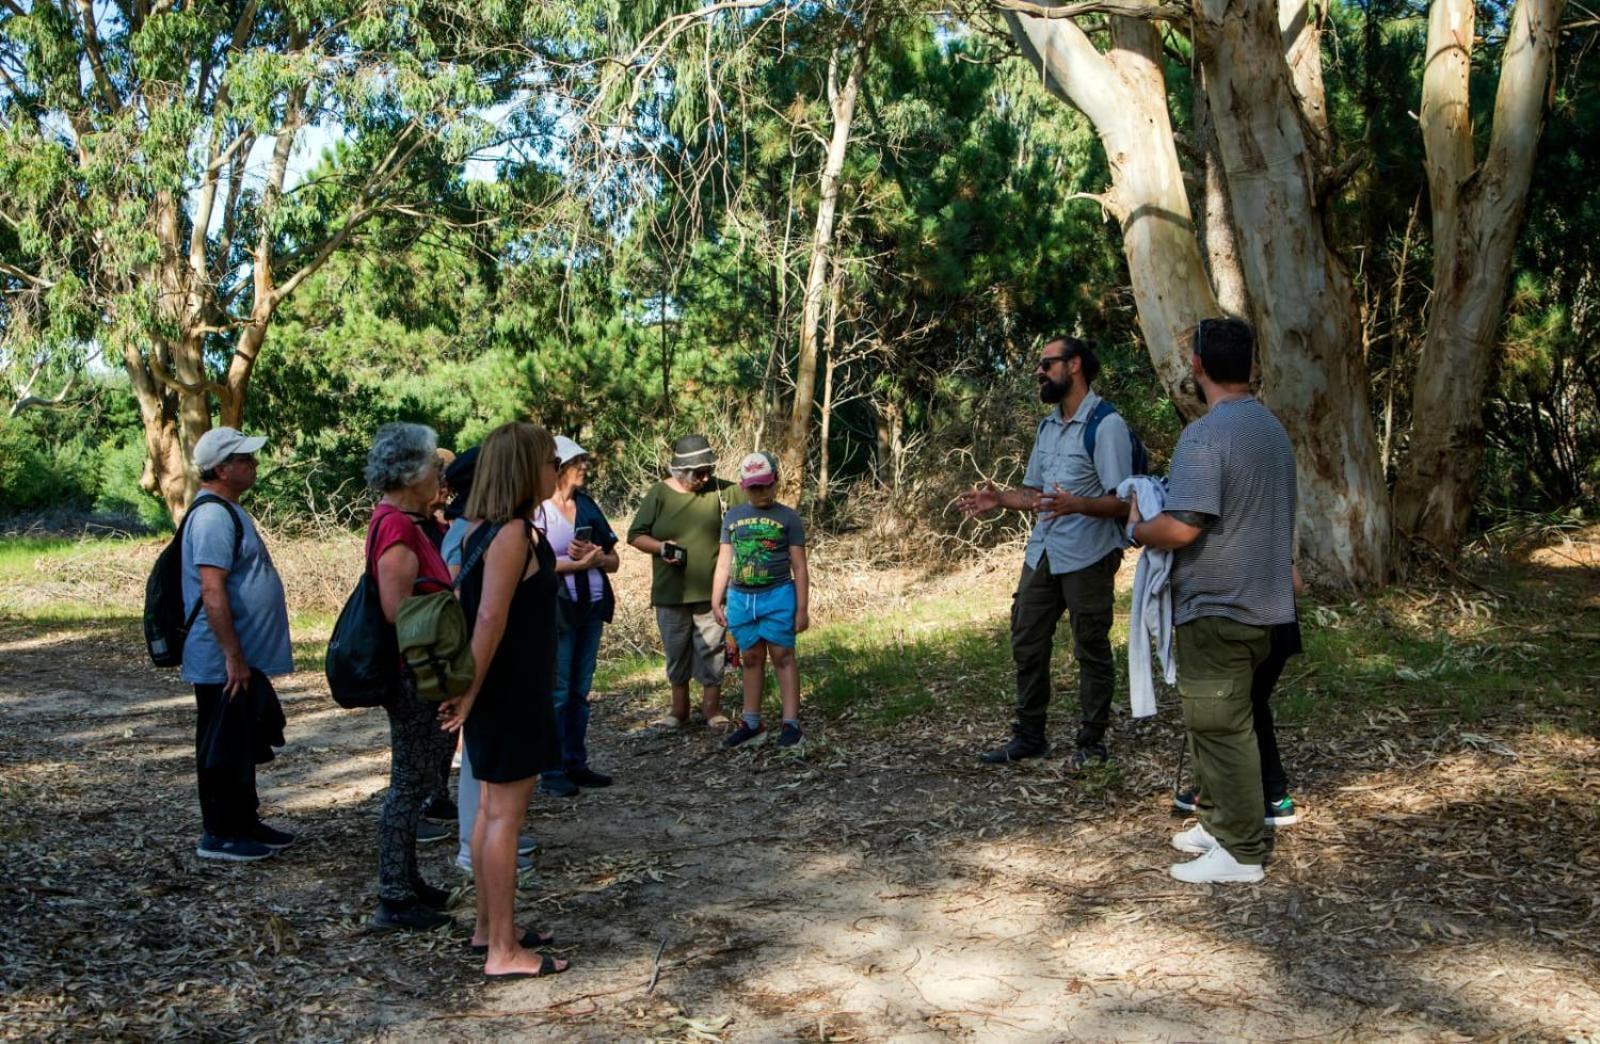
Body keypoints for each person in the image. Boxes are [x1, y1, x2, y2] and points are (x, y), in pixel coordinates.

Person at [1128, 316, 1298, 885]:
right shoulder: (1271, 429)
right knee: (1219, 722)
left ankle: (1243, 852)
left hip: (1219, 606)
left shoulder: (1205, 435)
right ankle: (1218, 820)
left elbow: (1181, 529)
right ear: (1250, 364)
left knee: (1222, 727)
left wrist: (1138, 526)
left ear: (1197, 366)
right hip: (1266, 606)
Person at [957, 337, 1135, 769]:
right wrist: (999, 500)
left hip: (1088, 554)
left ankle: (1092, 743)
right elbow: (1035, 495)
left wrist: (1079, 504)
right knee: (1026, 638)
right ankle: (1029, 736)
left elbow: (1126, 502)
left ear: (1074, 366)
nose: (1039, 371)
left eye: (1046, 363)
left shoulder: (1106, 425)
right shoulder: (1047, 426)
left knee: (1090, 646)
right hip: (1044, 552)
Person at [438, 421, 568, 979]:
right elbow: (489, 618)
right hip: (510, 691)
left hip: (498, 689)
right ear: (523, 470)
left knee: (491, 811)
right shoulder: (512, 534)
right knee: (504, 819)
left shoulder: (480, 531)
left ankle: (491, 929)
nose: (555, 473)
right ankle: (503, 954)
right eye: (547, 463)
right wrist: (468, 697)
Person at [182, 426, 293, 862]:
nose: (253, 464)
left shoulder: (227, 510)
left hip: (237, 657)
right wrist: (232, 655)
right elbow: (212, 591)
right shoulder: (212, 516)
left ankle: (245, 821)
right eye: (244, 458)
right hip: (221, 659)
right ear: (221, 468)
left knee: (240, 738)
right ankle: (219, 833)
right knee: (221, 743)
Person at [364, 423, 457, 929]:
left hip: (423, 669)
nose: (439, 474)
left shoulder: (411, 521)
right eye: (433, 465)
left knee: (419, 779)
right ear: (409, 471)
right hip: (413, 672)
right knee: (408, 785)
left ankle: (409, 882)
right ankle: (394, 896)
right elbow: (398, 609)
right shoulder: (396, 526)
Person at [440, 446, 537, 875]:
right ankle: (470, 853)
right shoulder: (483, 532)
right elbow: (480, 610)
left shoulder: (475, 529)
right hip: (489, 671)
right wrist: (469, 685)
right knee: (481, 782)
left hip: (486, 669)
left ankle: (477, 852)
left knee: (483, 781)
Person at [627, 434, 747, 730]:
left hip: (712, 591)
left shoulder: (723, 490)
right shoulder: (659, 494)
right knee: (676, 650)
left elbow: (755, 503)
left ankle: (712, 710)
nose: (705, 477)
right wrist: (661, 547)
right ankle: (678, 710)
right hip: (671, 591)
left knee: (713, 650)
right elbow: (635, 535)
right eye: (698, 473)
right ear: (679, 472)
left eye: (709, 470)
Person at [1173, 568, 1306, 827]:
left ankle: (1272, 797)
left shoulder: (1238, 537)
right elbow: (1297, 584)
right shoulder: (1266, 532)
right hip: (1276, 625)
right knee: (1252, 705)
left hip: (1249, 625)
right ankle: (1245, 794)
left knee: (1245, 708)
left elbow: (1295, 584)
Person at [537, 436, 621, 797]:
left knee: (579, 692)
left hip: (591, 608)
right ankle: (551, 770)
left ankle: (576, 762)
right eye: (578, 461)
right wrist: (575, 564)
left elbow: (614, 561)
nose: (585, 467)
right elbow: (533, 563)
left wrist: (596, 558)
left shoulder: (587, 506)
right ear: (559, 468)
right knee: (557, 691)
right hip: (558, 612)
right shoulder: (537, 511)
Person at [711, 452, 810, 749]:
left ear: (776, 481)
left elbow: (800, 566)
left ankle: (791, 723)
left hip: (778, 595)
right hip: (741, 598)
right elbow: (724, 563)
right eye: (754, 487)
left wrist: (802, 609)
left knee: (782, 656)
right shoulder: (732, 517)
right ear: (743, 486)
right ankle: (752, 722)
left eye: (766, 485)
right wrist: (716, 599)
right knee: (751, 658)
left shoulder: (788, 517)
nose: (761, 492)